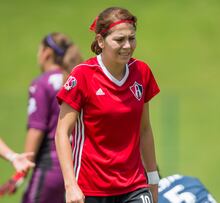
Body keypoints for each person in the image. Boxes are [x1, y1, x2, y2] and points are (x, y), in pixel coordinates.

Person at [55, 7, 160, 203]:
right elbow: (62, 132)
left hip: (134, 186)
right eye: (120, 40)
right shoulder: (82, 75)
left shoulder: (142, 72)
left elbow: (144, 129)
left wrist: (153, 178)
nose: (128, 46)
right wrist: (70, 186)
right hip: (90, 190)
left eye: (132, 38)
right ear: (101, 41)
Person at [21, 32, 83, 203]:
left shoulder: (41, 83)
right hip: (78, 169)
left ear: (46, 53)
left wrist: (21, 170)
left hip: (49, 169)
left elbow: (36, 129)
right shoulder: (75, 80)